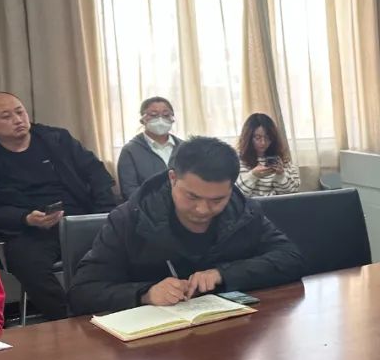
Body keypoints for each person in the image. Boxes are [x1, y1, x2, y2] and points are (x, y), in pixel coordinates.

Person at [69, 136, 306, 315]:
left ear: (231, 188)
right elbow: (83, 291)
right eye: (192, 197)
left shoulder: (243, 212)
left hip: (227, 332)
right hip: (152, 347)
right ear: (173, 178)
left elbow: (290, 258)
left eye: (217, 200)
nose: (202, 210)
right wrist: (145, 293)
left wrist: (222, 274)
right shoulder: (130, 218)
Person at [0, 92, 118, 319]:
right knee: (27, 264)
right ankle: (70, 319)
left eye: (20, 112)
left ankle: (122, 308)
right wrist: (25, 218)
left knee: (123, 244)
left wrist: (104, 214)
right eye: (6, 116)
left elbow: (97, 173)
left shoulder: (56, 139)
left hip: (78, 219)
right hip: (30, 229)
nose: (18, 120)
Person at [117, 96, 182, 201]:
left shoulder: (184, 147)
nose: (160, 119)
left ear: (172, 119)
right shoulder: (130, 151)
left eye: (166, 115)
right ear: (143, 119)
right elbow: (129, 190)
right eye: (154, 115)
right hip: (147, 208)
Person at [235, 113, 300, 198]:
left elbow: (293, 192)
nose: (263, 142)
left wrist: (281, 175)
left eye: (268, 137)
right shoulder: (237, 160)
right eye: (257, 138)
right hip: (249, 205)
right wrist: (253, 175)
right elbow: (234, 195)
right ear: (248, 138)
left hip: (276, 205)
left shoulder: (282, 160)